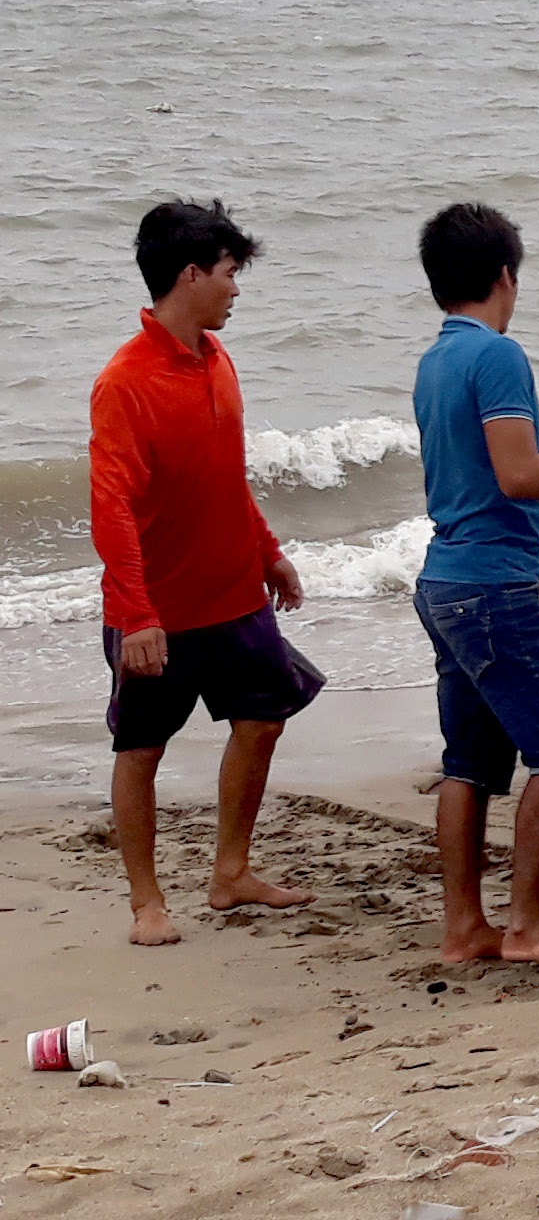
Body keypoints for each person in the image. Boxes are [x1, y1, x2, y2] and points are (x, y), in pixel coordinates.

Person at [89, 199, 323, 946]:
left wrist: (268, 551)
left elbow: (226, 477)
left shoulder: (219, 360)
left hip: (233, 595)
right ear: (191, 275)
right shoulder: (123, 383)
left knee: (262, 721)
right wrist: (136, 613)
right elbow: (112, 506)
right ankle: (146, 903)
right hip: (157, 610)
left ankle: (231, 872)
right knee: (141, 749)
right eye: (228, 273)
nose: (236, 288)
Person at [410, 203, 539, 965]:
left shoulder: (437, 358)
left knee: (468, 760)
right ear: (505, 276)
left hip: (446, 578)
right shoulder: (496, 355)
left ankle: (465, 926)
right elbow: (518, 473)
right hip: (488, 590)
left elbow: (467, 486)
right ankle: (527, 920)